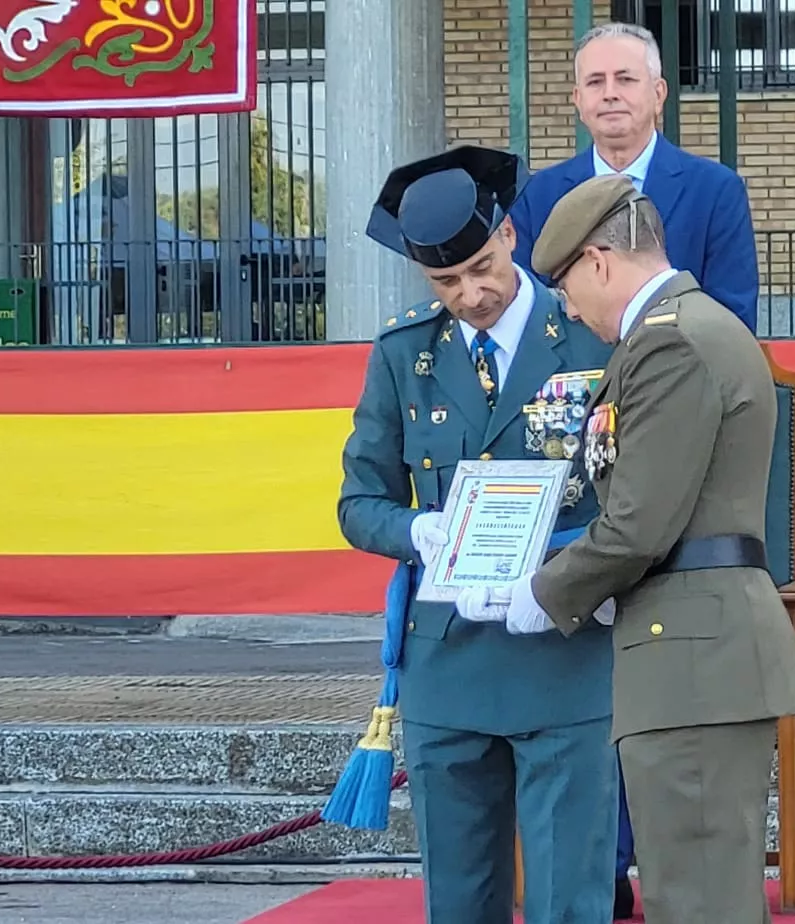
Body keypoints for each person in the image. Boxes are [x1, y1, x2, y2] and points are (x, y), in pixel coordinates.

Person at [456, 173, 795, 924]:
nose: (570, 309)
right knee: (695, 889)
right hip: (689, 652)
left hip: (692, 659)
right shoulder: (681, 331)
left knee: (699, 899)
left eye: (567, 288)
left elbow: (639, 525)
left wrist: (540, 594)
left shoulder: (670, 342)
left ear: (599, 262)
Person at [338, 144, 620, 924]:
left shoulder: (590, 337)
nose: (471, 294)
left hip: (563, 648)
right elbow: (359, 504)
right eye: (446, 283)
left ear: (511, 239)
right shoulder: (406, 355)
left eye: (482, 268)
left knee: (571, 896)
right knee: (460, 900)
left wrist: (578, 565)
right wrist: (419, 530)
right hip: (447, 661)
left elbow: (637, 491)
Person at [510, 21, 760, 333]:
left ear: (658, 94)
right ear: (578, 101)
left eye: (625, 79)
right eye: (595, 82)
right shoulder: (537, 196)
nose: (610, 94)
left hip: (678, 375)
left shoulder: (715, 191)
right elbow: (526, 312)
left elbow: (732, 318)